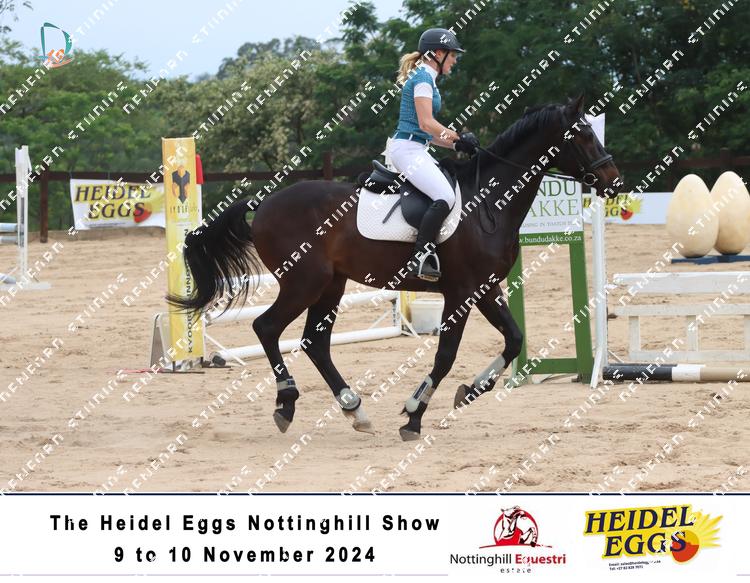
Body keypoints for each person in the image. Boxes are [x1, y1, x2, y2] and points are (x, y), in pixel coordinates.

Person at [387, 27, 480, 281]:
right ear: (438, 53)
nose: (455, 60)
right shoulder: (423, 79)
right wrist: (457, 136)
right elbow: (427, 123)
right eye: (452, 55)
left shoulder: (429, 80)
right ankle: (420, 257)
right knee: (445, 196)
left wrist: (457, 145)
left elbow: (428, 133)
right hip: (406, 149)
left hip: (416, 147)